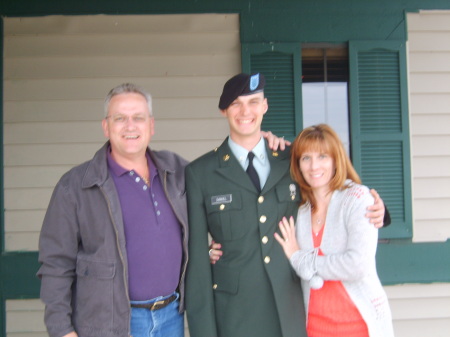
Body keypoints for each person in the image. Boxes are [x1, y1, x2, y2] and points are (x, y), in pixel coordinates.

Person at [37, 82, 288, 337]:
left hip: (171, 317)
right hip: (110, 323)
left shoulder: (177, 171)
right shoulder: (77, 186)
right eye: (120, 118)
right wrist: (62, 331)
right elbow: (55, 265)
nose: (130, 126)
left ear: (151, 126)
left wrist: (260, 143)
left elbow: (222, 180)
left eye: (138, 118)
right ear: (106, 126)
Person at [184, 73, 389, 337]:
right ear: (224, 110)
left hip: (291, 310)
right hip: (235, 315)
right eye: (236, 104)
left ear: (265, 106)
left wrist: (377, 210)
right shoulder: (201, 172)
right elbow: (198, 264)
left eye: (253, 102)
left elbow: (334, 190)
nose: (246, 111)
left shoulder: (293, 160)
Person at [274, 124, 394, 337]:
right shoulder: (298, 208)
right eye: (306, 158)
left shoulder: (357, 199)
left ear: (335, 159)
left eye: (322, 156)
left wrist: (302, 260)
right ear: (298, 165)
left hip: (360, 326)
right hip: (314, 329)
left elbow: (357, 265)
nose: (314, 166)